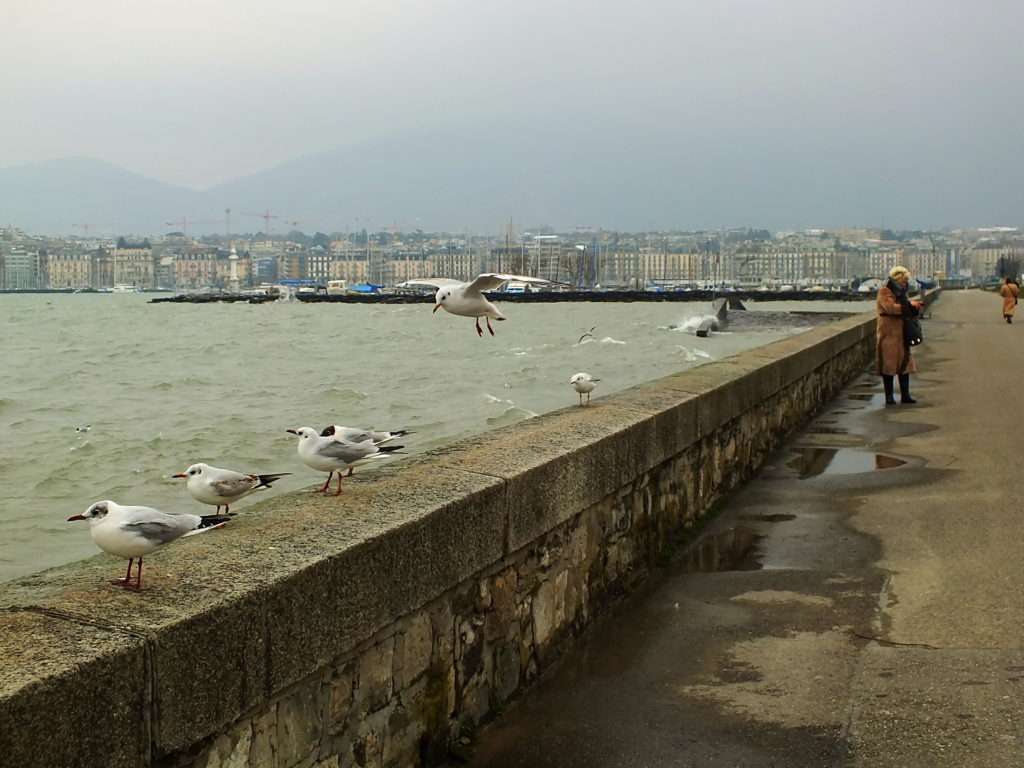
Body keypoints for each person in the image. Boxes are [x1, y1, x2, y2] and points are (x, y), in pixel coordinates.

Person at [876, 266, 924, 405]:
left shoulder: (901, 293)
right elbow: (890, 308)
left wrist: (913, 307)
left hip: (902, 334)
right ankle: (889, 397)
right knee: (888, 366)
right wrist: (910, 306)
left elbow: (903, 307)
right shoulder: (885, 291)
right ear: (897, 279)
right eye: (904, 281)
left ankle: (905, 395)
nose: (905, 283)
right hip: (889, 334)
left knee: (904, 365)